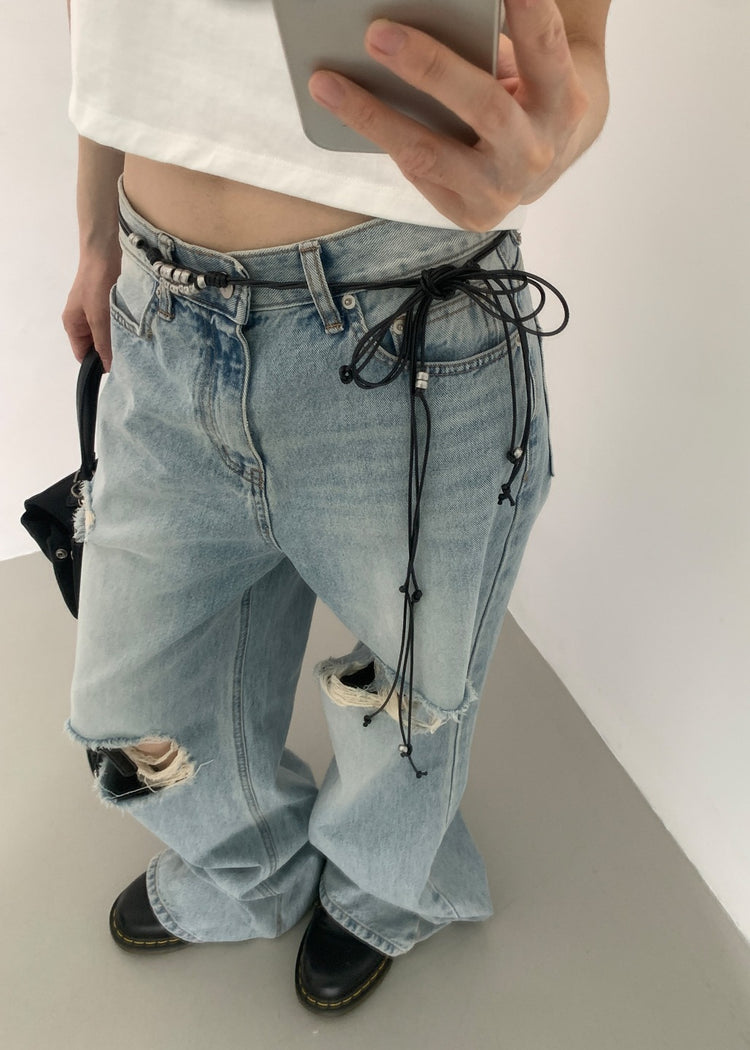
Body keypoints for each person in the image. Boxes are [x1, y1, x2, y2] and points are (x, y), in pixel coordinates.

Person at [62, 0, 611, 1015]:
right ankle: (252, 868)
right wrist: (96, 235)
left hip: (409, 314)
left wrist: (554, 133)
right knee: (134, 699)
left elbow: (577, 51)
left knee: (413, 691)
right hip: (159, 302)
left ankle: (381, 887)